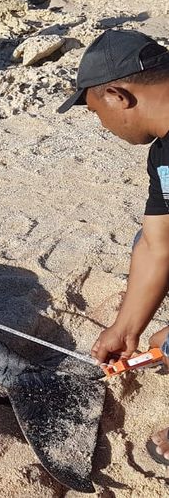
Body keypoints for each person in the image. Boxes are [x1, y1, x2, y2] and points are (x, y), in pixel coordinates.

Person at [58, 29, 169, 463]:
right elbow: (158, 243)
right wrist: (126, 327)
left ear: (117, 95)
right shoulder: (163, 154)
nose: (103, 126)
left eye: (94, 111)